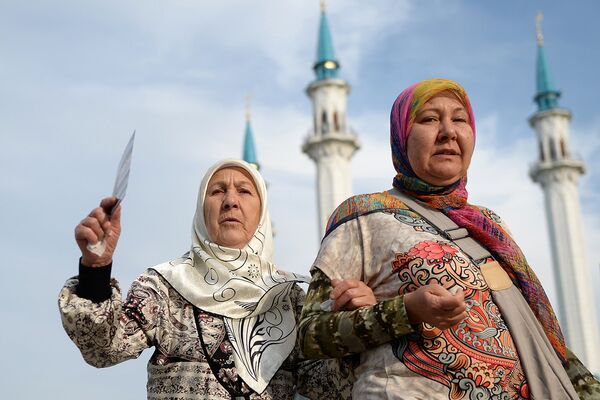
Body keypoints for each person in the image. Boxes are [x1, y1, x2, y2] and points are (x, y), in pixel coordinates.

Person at [299, 78, 600, 399]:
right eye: (429, 119)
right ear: (401, 135)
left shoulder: (489, 225)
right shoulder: (363, 215)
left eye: (460, 119)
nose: (448, 131)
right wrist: (406, 311)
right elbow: (310, 337)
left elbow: (539, 334)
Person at [59, 159, 356, 399]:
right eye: (217, 191)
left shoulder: (289, 299)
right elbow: (104, 347)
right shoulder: (165, 287)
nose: (230, 201)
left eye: (244, 191)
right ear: (201, 210)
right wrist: (96, 269)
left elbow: (327, 387)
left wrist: (350, 324)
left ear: (262, 210)